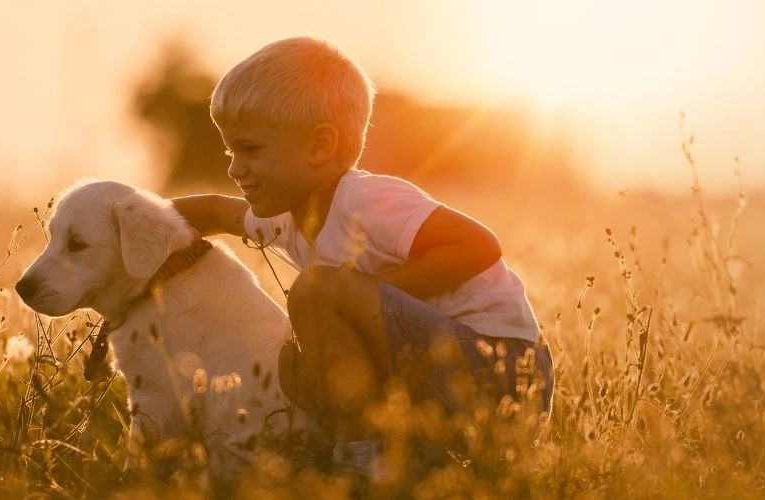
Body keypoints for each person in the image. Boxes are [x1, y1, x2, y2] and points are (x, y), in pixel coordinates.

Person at [171, 36, 553, 473]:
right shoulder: (285, 216)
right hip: (443, 379)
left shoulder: (367, 200)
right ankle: (399, 458)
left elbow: (479, 245)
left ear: (319, 146)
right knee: (294, 363)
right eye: (229, 150)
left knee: (317, 292)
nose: (234, 168)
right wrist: (130, 221)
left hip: (505, 373)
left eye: (251, 149)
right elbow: (215, 211)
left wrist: (363, 296)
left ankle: (361, 467)